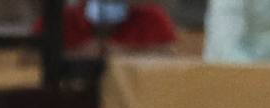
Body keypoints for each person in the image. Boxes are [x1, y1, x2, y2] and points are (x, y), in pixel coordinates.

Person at [34, 0, 178, 57]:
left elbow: (170, 57)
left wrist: (124, 54)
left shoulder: (151, 16)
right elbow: (27, 59)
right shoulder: (59, 19)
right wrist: (75, 57)